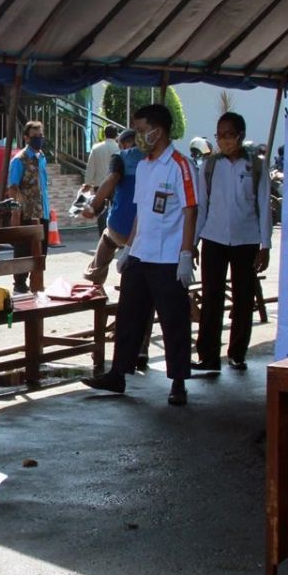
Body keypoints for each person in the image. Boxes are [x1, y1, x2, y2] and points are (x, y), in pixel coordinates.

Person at [83, 104, 199, 406]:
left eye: (142, 130)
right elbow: (140, 212)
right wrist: (129, 248)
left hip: (169, 257)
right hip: (140, 253)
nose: (138, 137)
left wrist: (186, 252)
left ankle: (178, 381)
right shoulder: (144, 166)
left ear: (158, 131)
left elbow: (190, 210)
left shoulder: (180, 165)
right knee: (128, 316)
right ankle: (118, 373)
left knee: (173, 321)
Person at [193, 113, 272, 372]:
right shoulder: (209, 166)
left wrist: (265, 245)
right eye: (219, 135)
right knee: (212, 298)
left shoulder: (257, 167)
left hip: (247, 240)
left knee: (243, 298)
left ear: (240, 135)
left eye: (228, 134)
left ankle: (237, 353)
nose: (223, 140)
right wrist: (192, 243)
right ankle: (208, 356)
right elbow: (201, 206)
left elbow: (263, 205)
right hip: (213, 238)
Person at [80, 129, 155, 370]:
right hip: (145, 232)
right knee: (146, 296)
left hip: (120, 228)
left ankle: (94, 286)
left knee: (101, 255)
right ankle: (142, 346)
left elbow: (110, 181)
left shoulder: (121, 159)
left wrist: (93, 205)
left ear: (123, 144)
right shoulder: (153, 158)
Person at [6, 120, 50, 293]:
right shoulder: (19, 160)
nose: (39, 139)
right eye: (34, 136)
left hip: (42, 211)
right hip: (26, 212)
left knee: (42, 249)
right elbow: (13, 188)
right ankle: (20, 283)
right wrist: (16, 211)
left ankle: (37, 282)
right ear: (26, 138)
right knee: (23, 250)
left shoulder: (42, 157)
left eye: (41, 135)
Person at [83, 125, 120, 234]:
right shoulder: (119, 148)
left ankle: (103, 234)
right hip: (115, 184)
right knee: (116, 209)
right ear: (116, 135)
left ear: (104, 134)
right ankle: (115, 234)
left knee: (101, 210)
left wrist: (88, 183)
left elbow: (90, 167)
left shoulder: (96, 148)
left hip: (99, 184)